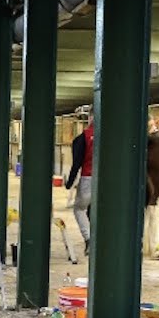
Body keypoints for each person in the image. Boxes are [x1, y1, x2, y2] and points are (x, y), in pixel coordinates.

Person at [64, 109, 95, 255]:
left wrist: (69, 183)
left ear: (90, 118)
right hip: (108, 181)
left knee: (79, 209)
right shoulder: (112, 138)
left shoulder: (83, 138)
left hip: (88, 178)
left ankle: (89, 239)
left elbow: (76, 164)